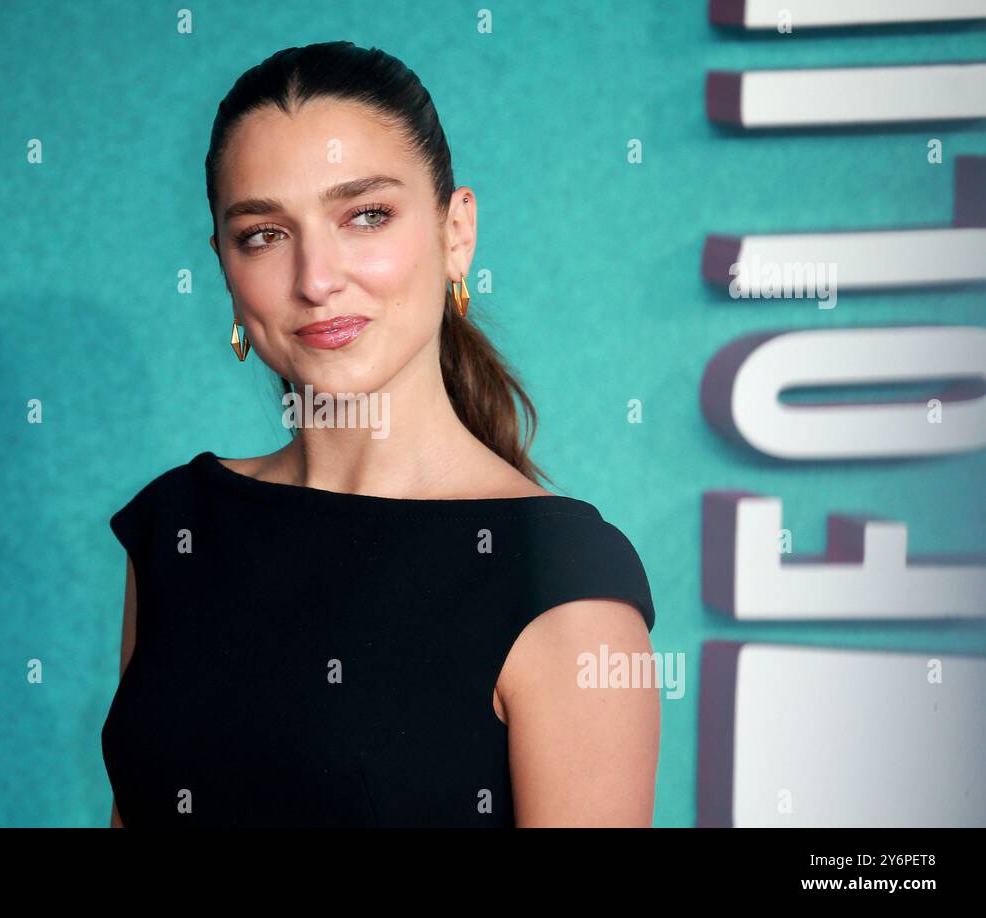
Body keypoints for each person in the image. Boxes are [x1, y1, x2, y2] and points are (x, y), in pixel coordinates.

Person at [102, 40, 658, 827]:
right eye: (264, 233)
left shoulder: (560, 580)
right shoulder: (178, 528)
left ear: (455, 231)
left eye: (365, 215)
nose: (317, 278)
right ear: (224, 265)